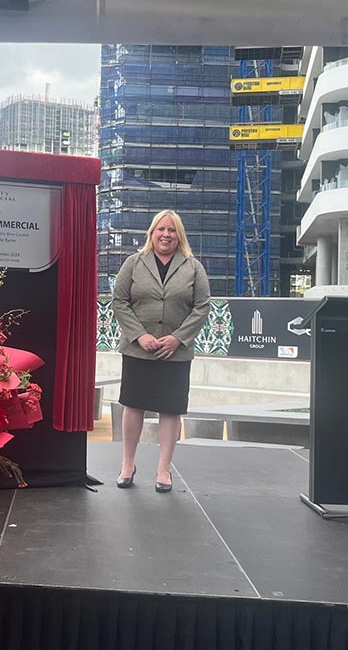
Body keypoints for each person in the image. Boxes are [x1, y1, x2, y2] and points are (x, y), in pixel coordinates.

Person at [111, 209, 211, 493]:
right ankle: (127, 464)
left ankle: (163, 469)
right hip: (138, 350)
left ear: (179, 236)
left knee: (170, 409)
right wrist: (139, 335)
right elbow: (120, 301)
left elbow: (202, 306)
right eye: (161, 229)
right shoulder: (133, 263)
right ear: (151, 233)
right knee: (133, 405)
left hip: (175, 354)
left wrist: (178, 339)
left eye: (171, 230)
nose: (166, 235)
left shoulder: (193, 267)